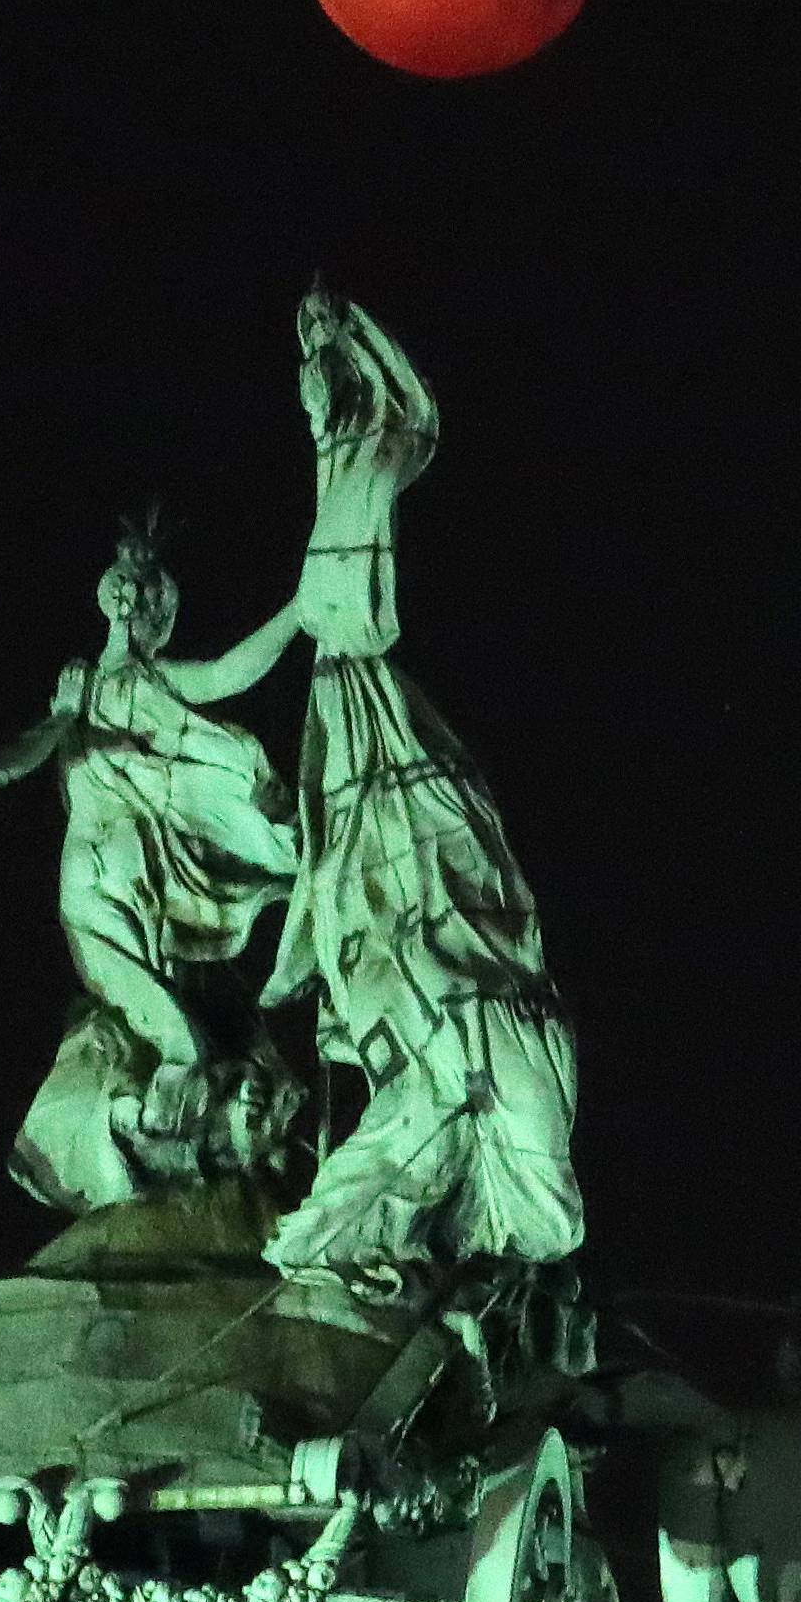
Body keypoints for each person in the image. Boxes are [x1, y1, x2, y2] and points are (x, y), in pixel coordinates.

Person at [262, 285, 583, 1274]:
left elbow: (417, 421)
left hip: (353, 669)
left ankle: (366, 1247)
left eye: (325, 384)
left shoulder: (377, 447)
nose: (313, 399)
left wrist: (349, 334)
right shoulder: (336, 456)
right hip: (337, 671)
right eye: (305, 385)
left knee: (380, 816)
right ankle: (349, 1247)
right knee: (346, 833)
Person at [0, 529, 303, 1185]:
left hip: (110, 875)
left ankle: (157, 1134)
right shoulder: (126, 684)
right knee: (176, 1034)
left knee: (160, 1017)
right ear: (155, 616)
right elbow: (230, 672)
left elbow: (225, 675)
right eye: (164, 615)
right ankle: (158, 1137)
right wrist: (299, 610)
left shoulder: (79, 690)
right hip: (128, 877)